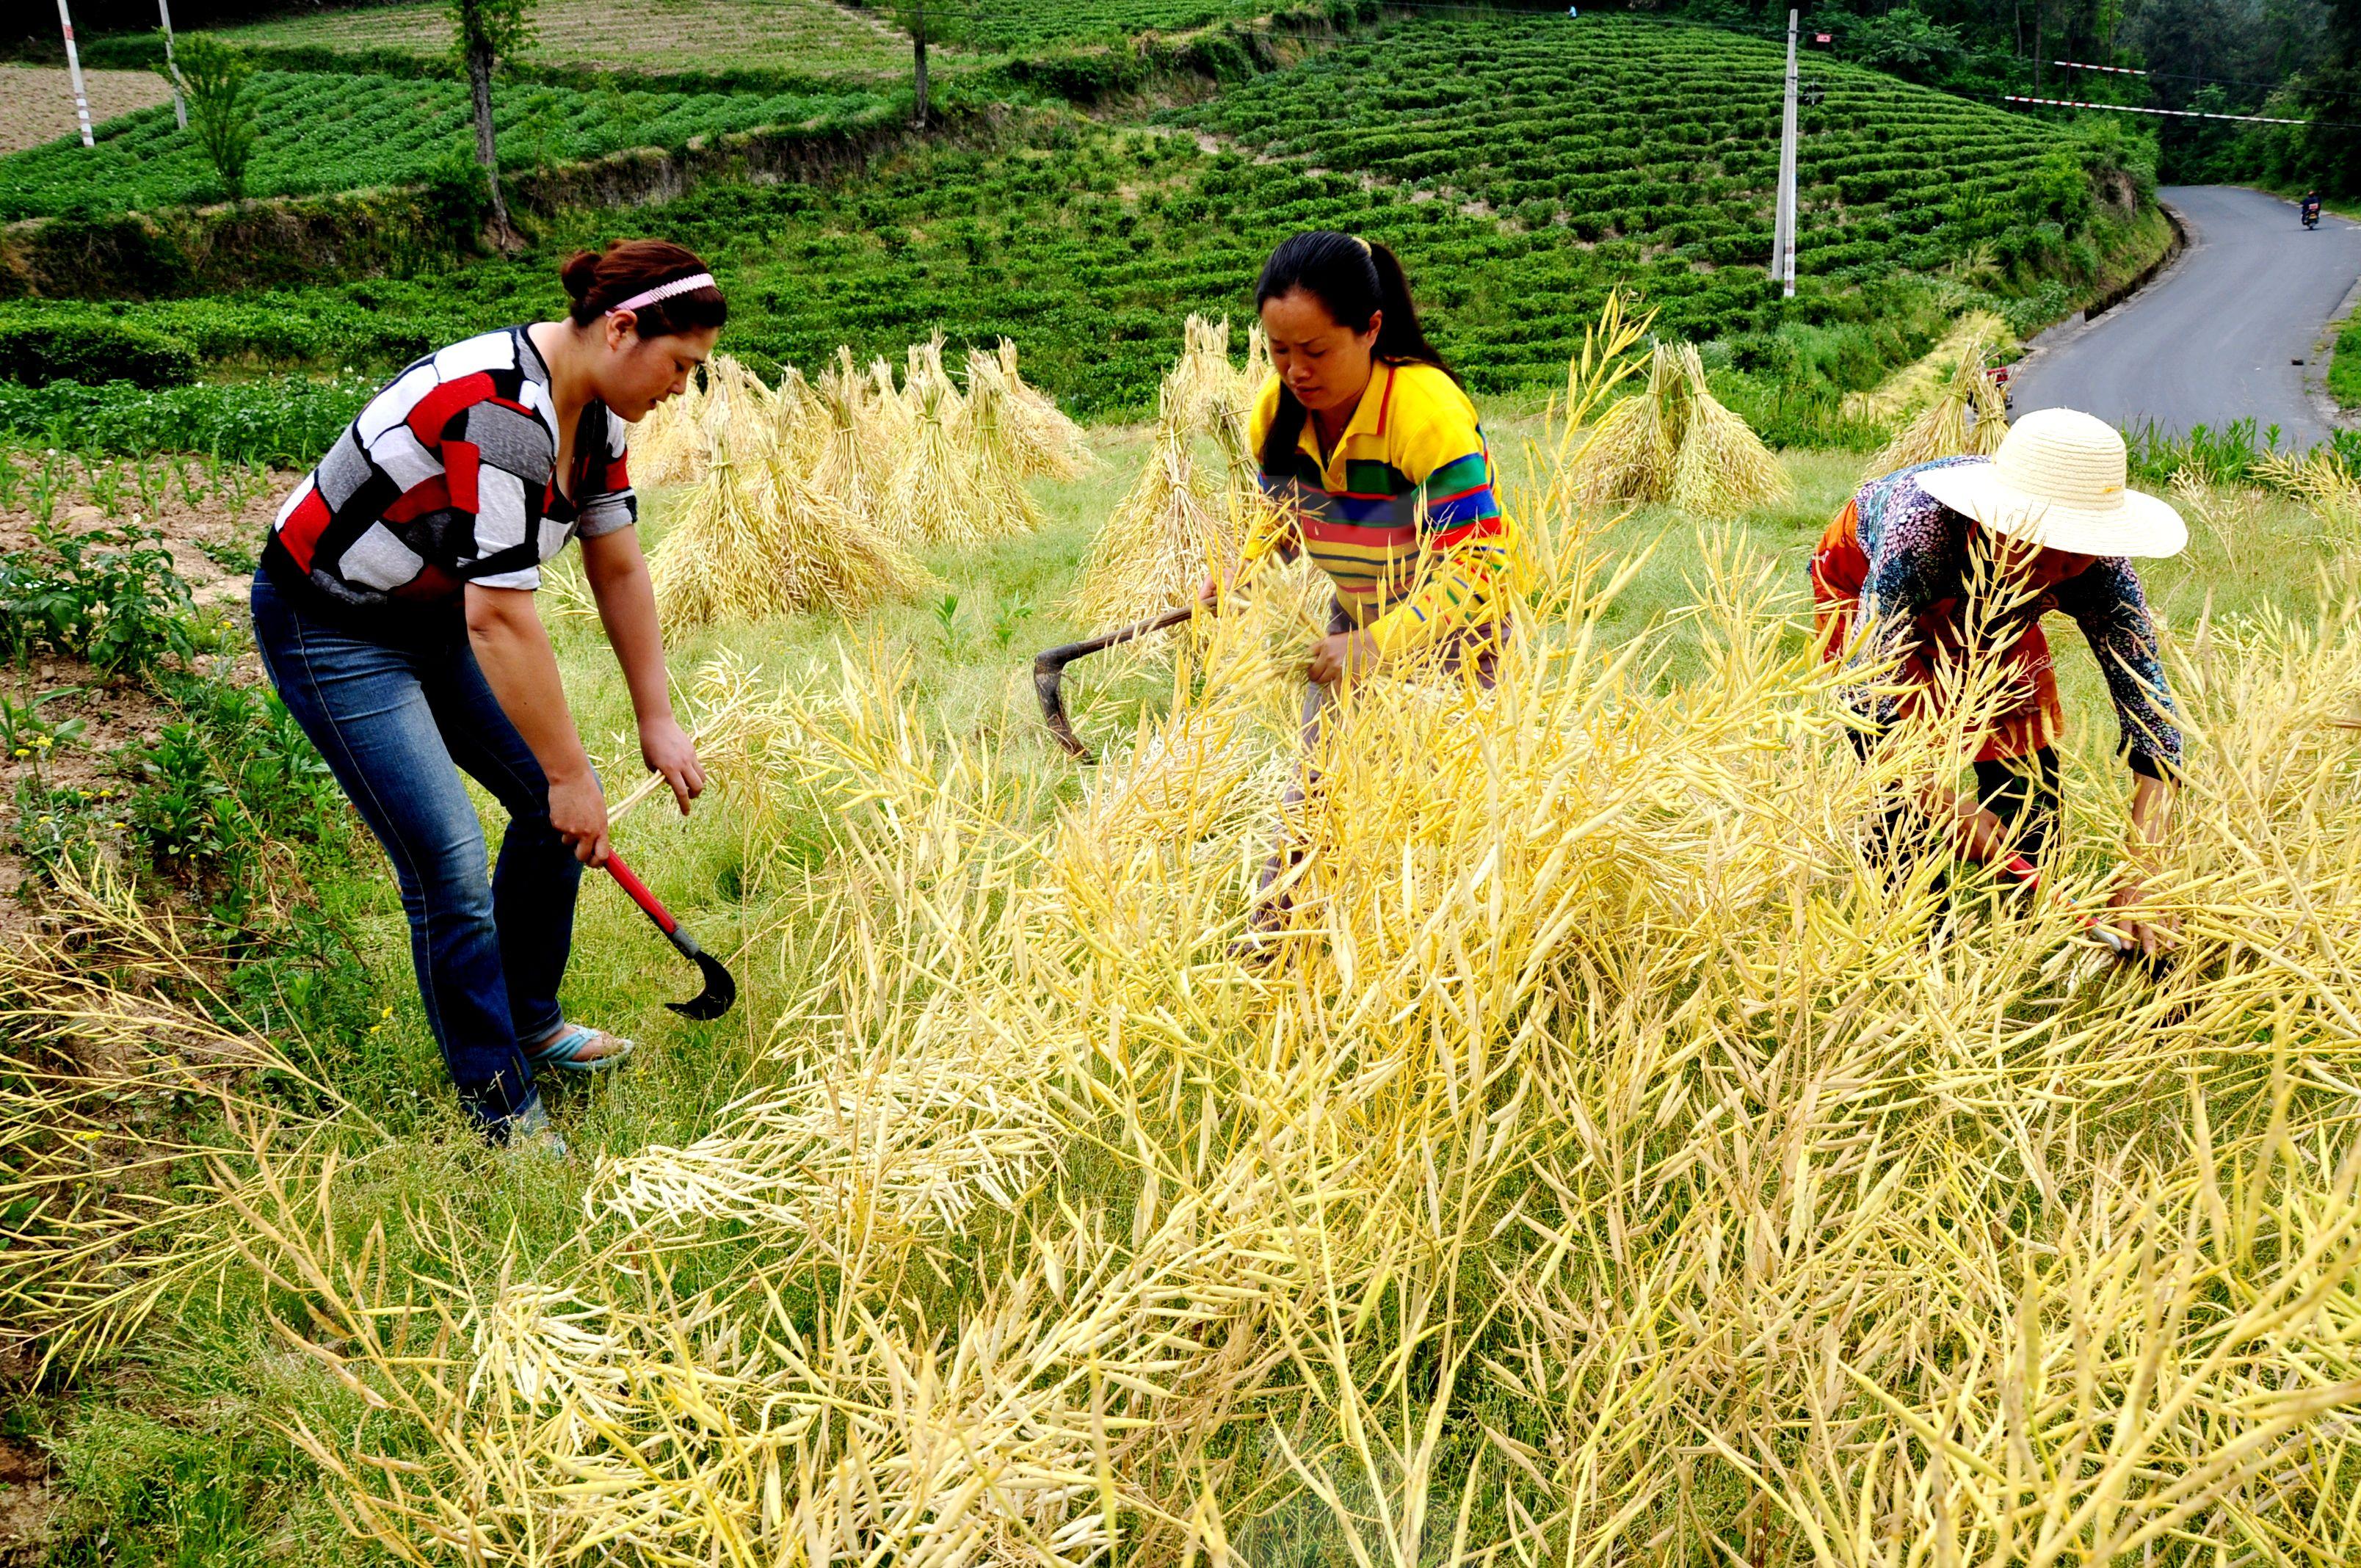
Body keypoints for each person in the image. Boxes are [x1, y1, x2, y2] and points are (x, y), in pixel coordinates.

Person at [250, 239, 721, 1148]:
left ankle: (531, 1023)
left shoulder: (598, 415)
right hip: (335, 623)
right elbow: (499, 622)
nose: (680, 387)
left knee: (550, 816)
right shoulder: (502, 412)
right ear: (622, 328)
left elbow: (619, 568)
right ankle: (499, 1102)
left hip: (427, 615)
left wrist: (656, 719)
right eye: (679, 364)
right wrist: (571, 771)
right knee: (452, 866)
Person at [1198, 230, 1515, 941]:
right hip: (1354, 624)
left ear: (1371, 329)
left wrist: (1382, 645)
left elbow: (1482, 564)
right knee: (1317, 797)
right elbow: (1281, 516)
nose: (1295, 370)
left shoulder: (1424, 411)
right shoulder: (1274, 413)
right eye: (1279, 350)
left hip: (1457, 643)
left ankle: (1448, 950)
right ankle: (1284, 948)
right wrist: (1241, 578)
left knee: (1451, 809)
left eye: (1315, 351)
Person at [1810, 407, 2187, 957]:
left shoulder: (2101, 572)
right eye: (2039, 541)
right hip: (1867, 581)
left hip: (1996, 605)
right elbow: (1867, 693)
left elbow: (2154, 721)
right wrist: (1932, 795)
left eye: (2075, 550)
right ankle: (1915, 940)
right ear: (1997, 520)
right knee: (1902, 796)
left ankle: (2029, 926)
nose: (2054, 564)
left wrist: (2145, 872)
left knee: (2025, 774)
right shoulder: (1922, 534)